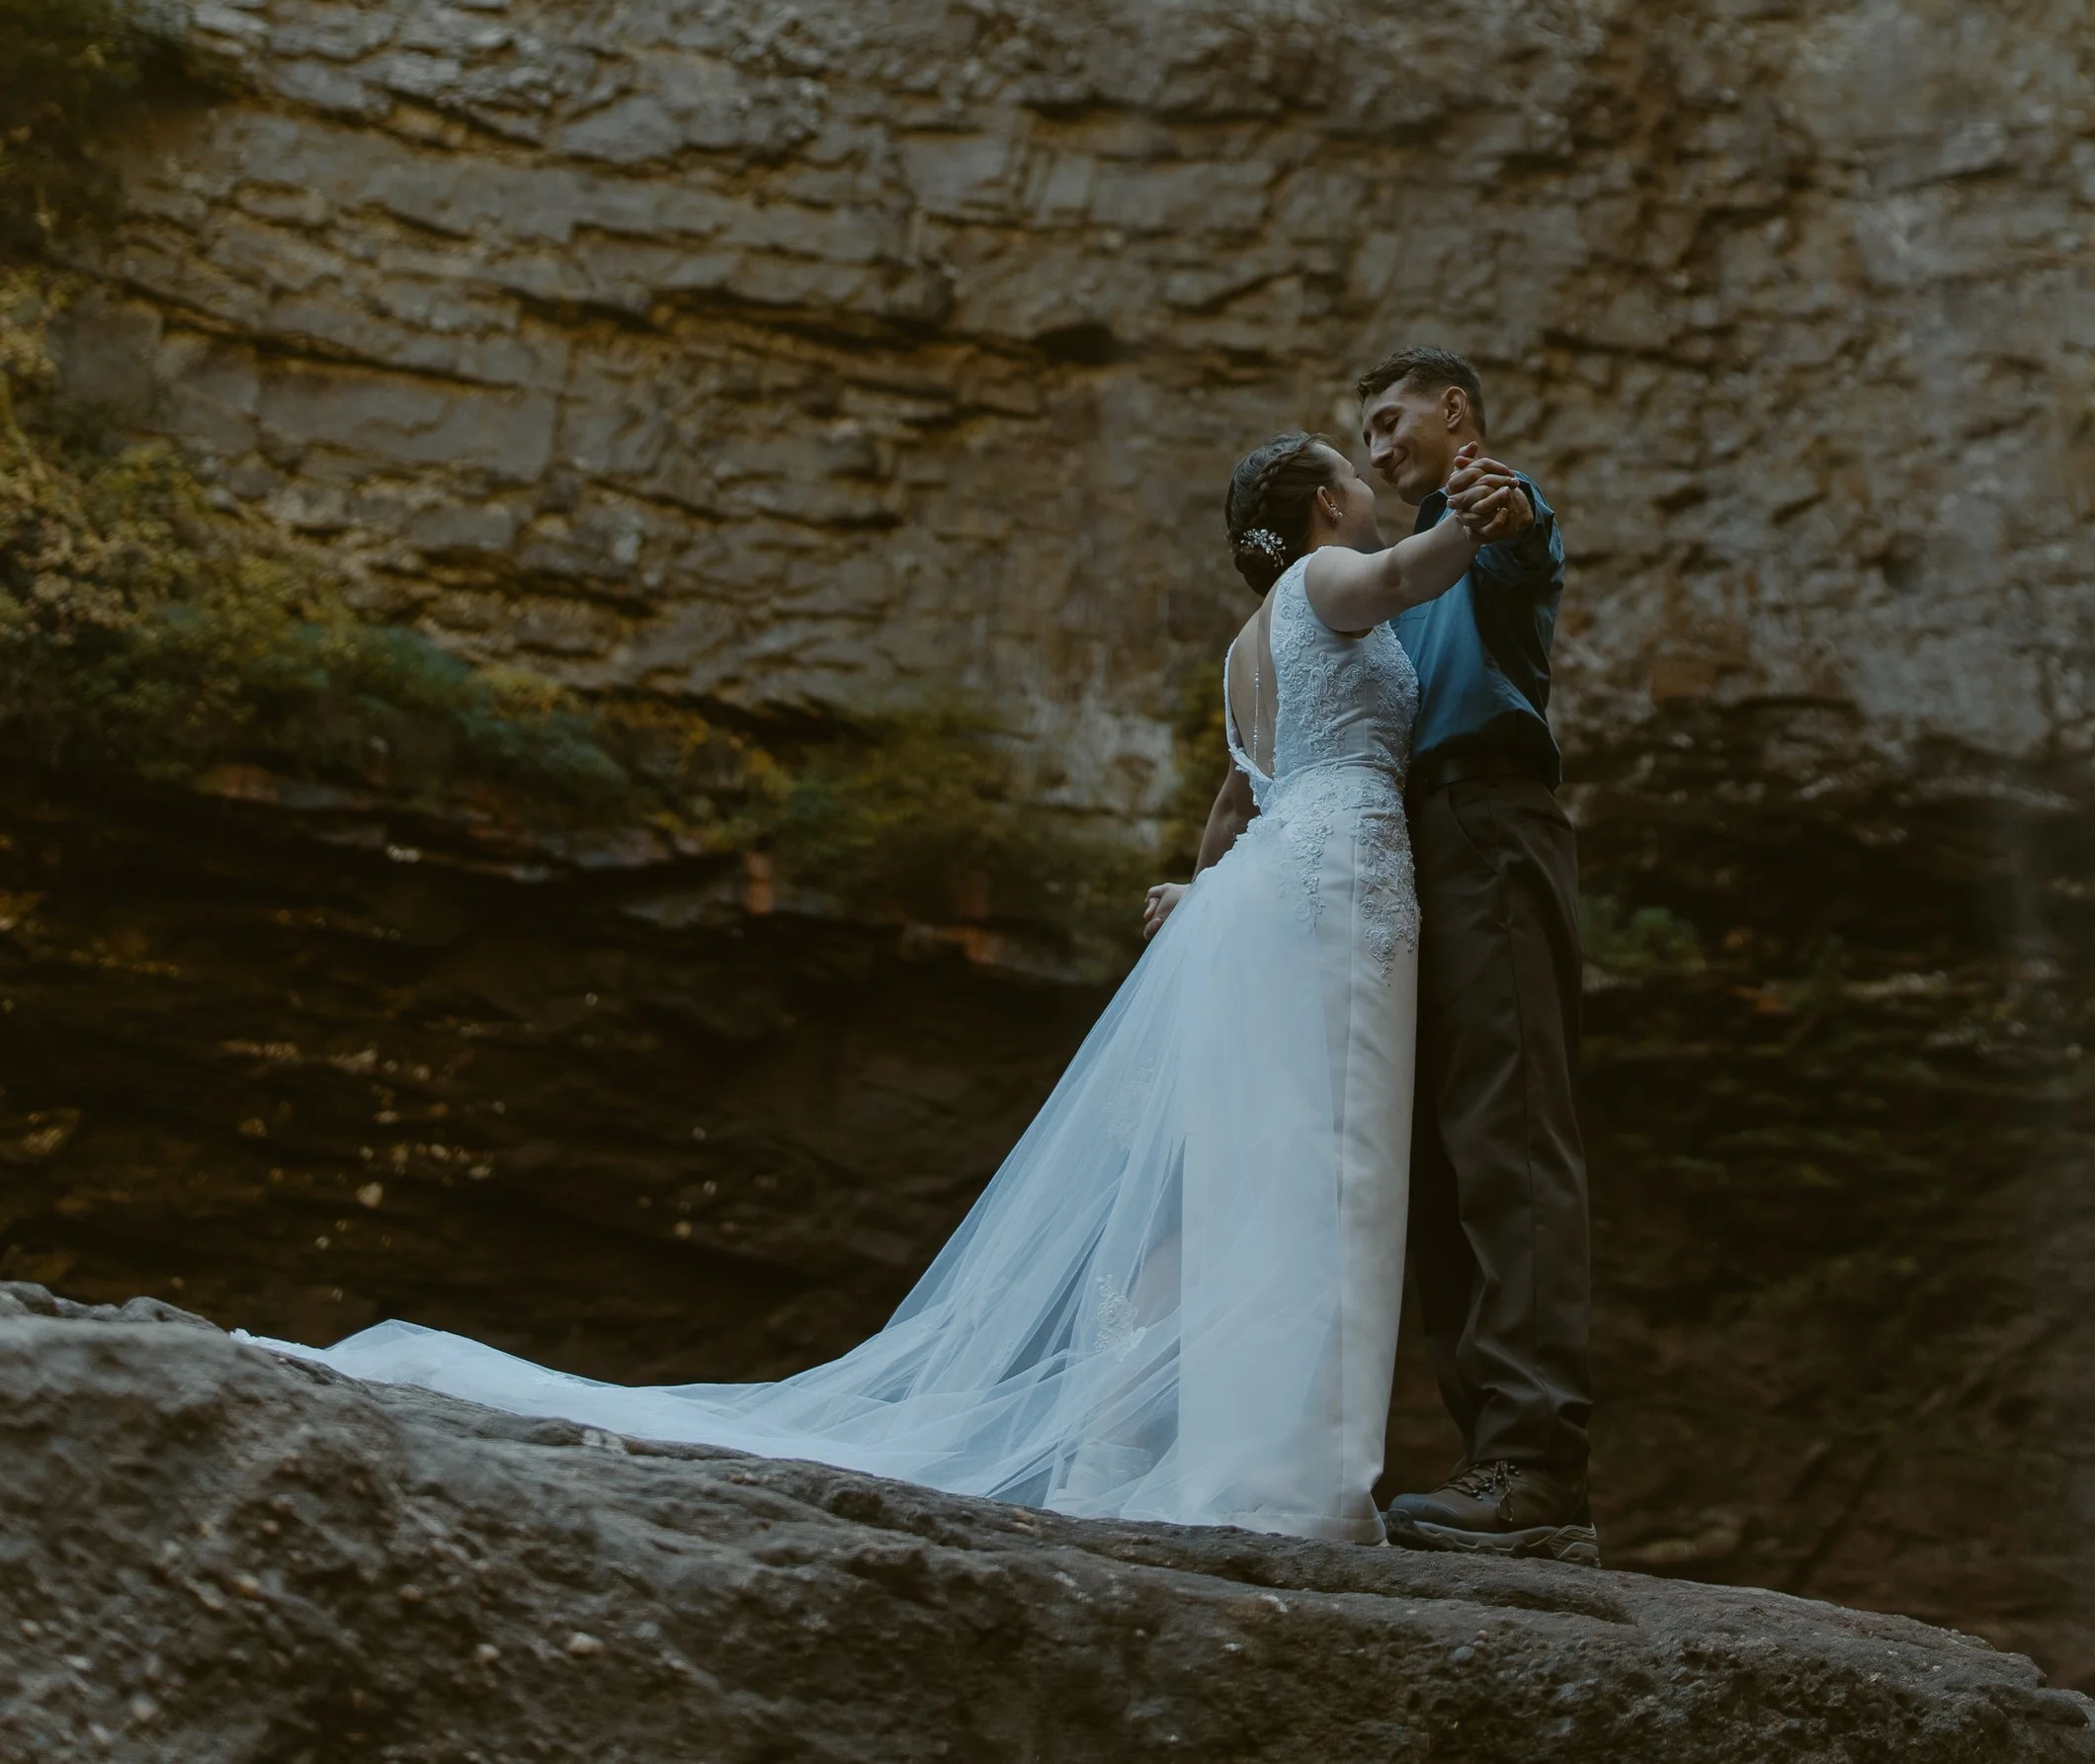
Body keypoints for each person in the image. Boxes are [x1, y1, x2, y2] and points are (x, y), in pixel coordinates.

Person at [251, 431, 1486, 1549]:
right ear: (1327, 499)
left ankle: (1197, 1460)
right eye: (1356, 469)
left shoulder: (1241, 649)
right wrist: (1485, 511)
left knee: (1250, 1174)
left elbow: (1237, 798)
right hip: (1331, 898)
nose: (1371, 485)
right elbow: (1401, 582)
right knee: (1322, 1171)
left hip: (1276, 893)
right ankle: (1283, 1481)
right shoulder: (1324, 583)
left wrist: (1196, 890)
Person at [1359, 346, 1595, 1565]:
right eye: (1364, 438)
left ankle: (1539, 1464)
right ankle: (1492, 1462)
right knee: (1443, 1170)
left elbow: (1519, 533)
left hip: (1489, 825)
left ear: (1454, 415)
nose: (1378, 447)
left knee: (1508, 1139)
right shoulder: (1397, 572)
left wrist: (1501, 501)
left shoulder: (1488, 510)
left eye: (1392, 420)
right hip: (1415, 854)